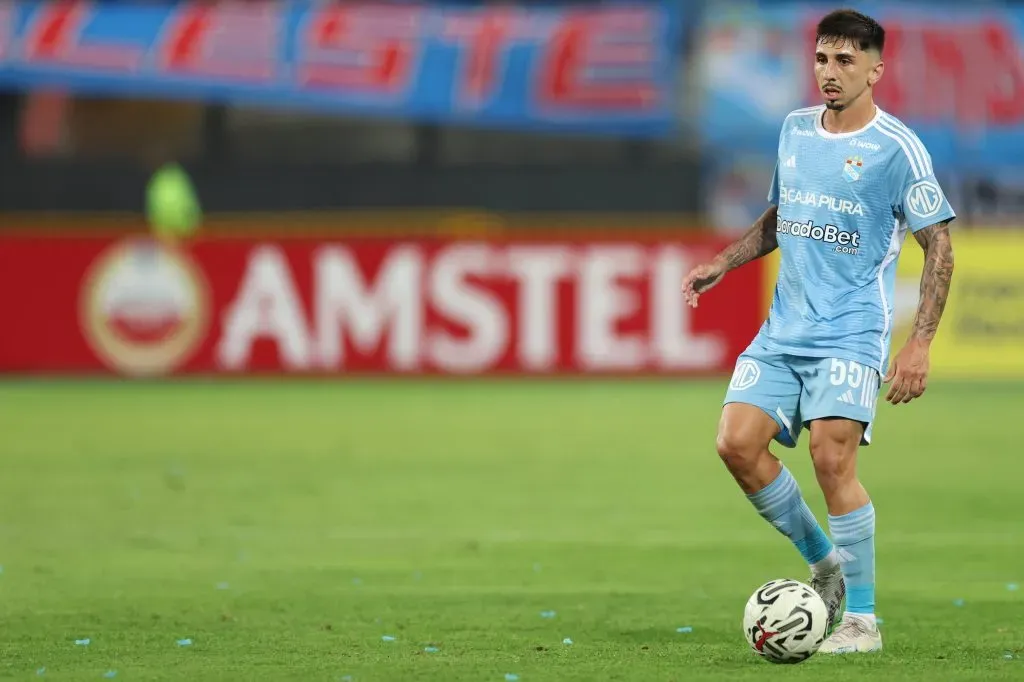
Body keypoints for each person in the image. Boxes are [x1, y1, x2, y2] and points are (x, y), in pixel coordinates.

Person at [682, 9, 955, 655]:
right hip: (784, 329)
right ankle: (826, 564)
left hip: (850, 331)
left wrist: (919, 341)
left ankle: (862, 622)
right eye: (822, 59)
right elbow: (783, 214)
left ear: (875, 70)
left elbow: (938, 245)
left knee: (832, 458)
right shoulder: (796, 129)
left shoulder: (898, 149)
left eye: (845, 62)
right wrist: (724, 262)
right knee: (736, 445)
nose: (829, 73)